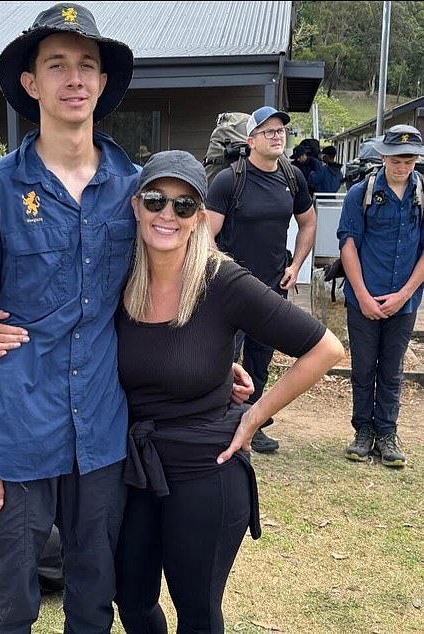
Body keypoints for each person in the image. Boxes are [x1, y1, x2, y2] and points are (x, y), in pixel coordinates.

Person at [0, 5, 139, 633]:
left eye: (87, 66)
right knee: (9, 601)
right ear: (31, 84)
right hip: (16, 431)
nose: (74, 79)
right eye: (57, 66)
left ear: (103, 83)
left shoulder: (136, 189)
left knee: (92, 597)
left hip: (102, 431)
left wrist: (221, 361)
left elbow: (171, 291)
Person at [112, 150, 344, 633]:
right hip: (133, 469)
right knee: (130, 599)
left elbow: (325, 349)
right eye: (156, 200)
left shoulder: (222, 281)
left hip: (205, 472)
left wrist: (256, 414)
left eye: (183, 205)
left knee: (196, 611)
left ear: (201, 217)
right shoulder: (117, 278)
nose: (166, 215)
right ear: (137, 206)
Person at [205, 105, 317, 453]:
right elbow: (206, 234)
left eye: (281, 130)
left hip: (272, 289)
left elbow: (308, 222)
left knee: (260, 360)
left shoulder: (291, 177)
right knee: (225, 359)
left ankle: (253, 422)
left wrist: (296, 265)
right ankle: (220, 421)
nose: (277, 136)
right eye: (268, 131)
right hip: (232, 290)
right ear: (250, 140)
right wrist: (221, 273)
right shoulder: (229, 180)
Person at [338, 124, 424, 467]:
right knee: (362, 367)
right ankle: (363, 431)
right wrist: (362, 295)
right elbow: (348, 245)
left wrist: (404, 295)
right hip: (364, 297)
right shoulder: (361, 193)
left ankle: (387, 433)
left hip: (404, 302)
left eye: (409, 160)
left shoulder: (422, 195)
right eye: (396, 159)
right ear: (384, 156)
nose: (402, 167)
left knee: (391, 370)